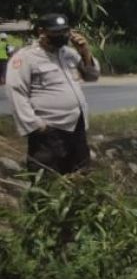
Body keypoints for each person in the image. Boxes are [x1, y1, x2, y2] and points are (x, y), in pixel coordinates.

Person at [5, 14, 100, 174]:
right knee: (48, 178)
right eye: (56, 32)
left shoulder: (68, 53)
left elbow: (92, 76)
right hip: (50, 131)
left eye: (65, 31)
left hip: (76, 126)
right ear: (41, 32)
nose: (62, 36)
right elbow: (16, 92)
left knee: (80, 176)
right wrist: (35, 125)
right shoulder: (26, 57)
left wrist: (85, 52)